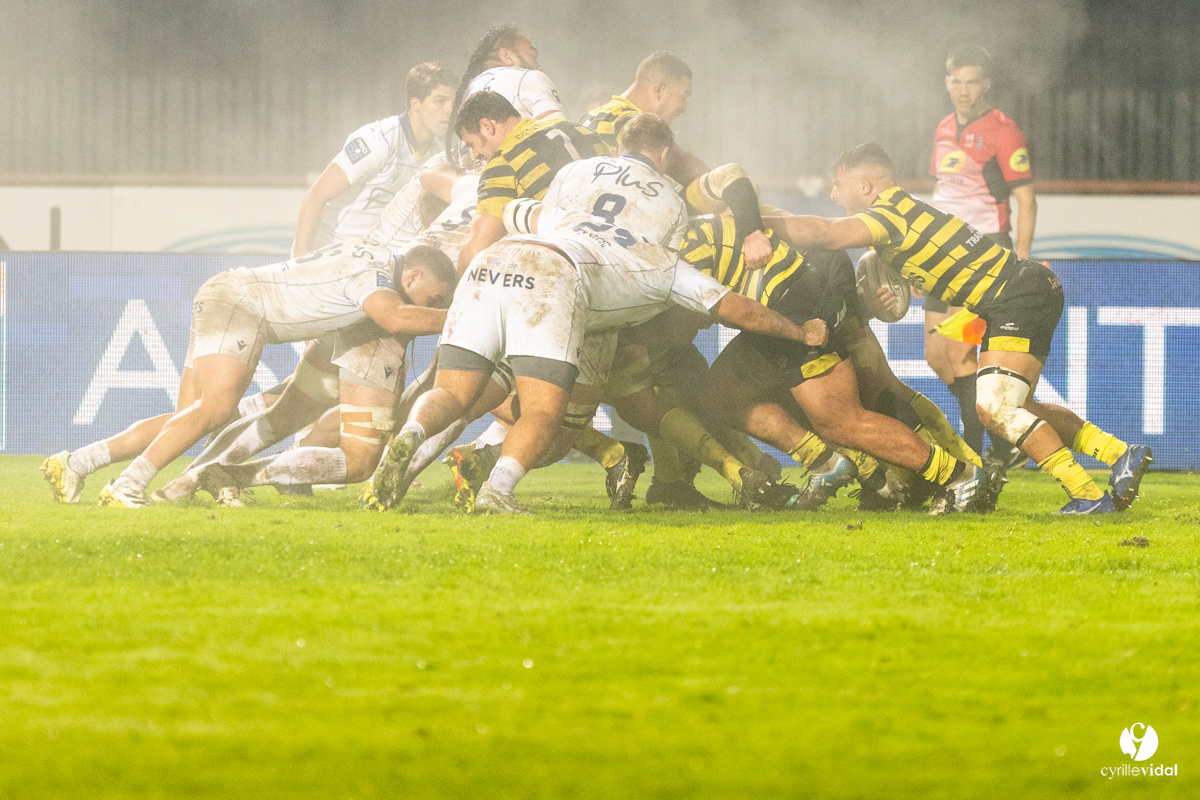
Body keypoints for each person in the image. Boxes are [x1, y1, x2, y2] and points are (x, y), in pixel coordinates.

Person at [366, 190, 830, 515]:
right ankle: (498, 491)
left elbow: (510, 208)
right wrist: (796, 331)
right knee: (546, 411)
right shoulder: (664, 261)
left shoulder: (571, 218)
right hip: (553, 279)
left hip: (492, 264)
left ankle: (411, 434)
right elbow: (738, 309)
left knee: (453, 394)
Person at [768, 142, 1152, 514]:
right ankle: (1119, 454)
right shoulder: (906, 211)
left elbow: (826, 234)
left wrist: (752, 223)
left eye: (839, 184)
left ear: (865, 186)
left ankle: (1085, 494)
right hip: (1026, 288)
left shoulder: (887, 213)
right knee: (1020, 407)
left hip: (1014, 296)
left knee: (995, 408)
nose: (834, 194)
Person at [40, 244, 457, 507]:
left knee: (187, 417)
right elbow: (394, 316)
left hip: (228, 293)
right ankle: (127, 486)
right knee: (219, 407)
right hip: (241, 305)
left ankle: (77, 461)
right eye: (434, 298)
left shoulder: (373, 253)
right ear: (413, 275)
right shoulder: (378, 275)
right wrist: (460, 317)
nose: (433, 305)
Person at [926, 44, 1036, 464]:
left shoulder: (1004, 131)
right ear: (947, 82)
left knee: (960, 354)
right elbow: (943, 196)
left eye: (972, 82)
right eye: (956, 81)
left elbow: (1027, 201)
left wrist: (1020, 264)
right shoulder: (942, 127)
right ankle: (1007, 443)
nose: (964, 90)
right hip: (942, 257)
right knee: (937, 358)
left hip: (984, 254)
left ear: (986, 83)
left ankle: (975, 455)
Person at [291, 62, 456, 258]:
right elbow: (314, 197)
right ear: (416, 104)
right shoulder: (377, 140)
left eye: (454, 102)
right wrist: (298, 263)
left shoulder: (441, 155)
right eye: (440, 101)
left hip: (374, 260)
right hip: (330, 252)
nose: (450, 109)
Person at [452, 90, 609, 272]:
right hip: (622, 241)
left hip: (577, 260)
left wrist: (456, 297)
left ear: (487, 126)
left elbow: (475, 249)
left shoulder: (504, 161)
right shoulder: (581, 129)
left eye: (472, 145)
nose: (475, 154)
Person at [581, 51, 708, 186]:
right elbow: (700, 177)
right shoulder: (638, 127)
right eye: (683, 97)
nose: (684, 109)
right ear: (659, 89)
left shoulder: (594, 116)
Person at [458, 25, 565, 121]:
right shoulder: (529, 78)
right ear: (506, 56)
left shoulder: (471, 96)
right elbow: (557, 135)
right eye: (533, 56)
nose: (539, 67)